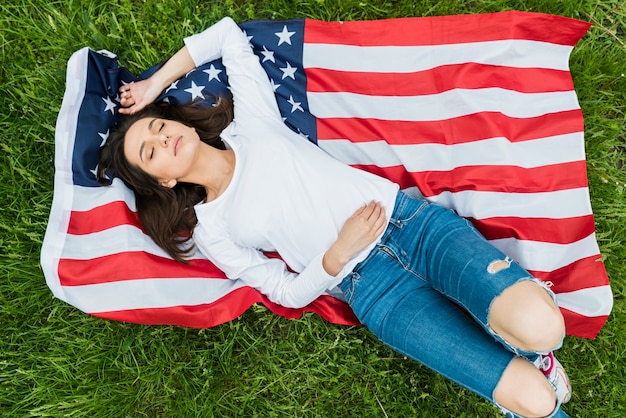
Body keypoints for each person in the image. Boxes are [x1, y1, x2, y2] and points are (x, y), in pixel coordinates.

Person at [98, 17, 572, 418]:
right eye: (150, 151)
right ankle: (533, 375)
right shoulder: (213, 230)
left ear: (177, 122)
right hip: (375, 292)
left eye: (160, 126)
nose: (163, 139)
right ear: (160, 181)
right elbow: (283, 290)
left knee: (545, 327)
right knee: (535, 401)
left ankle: (531, 350)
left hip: (412, 227)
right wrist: (335, 255)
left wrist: (154, 84)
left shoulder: (252, 125)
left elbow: (226, 34)